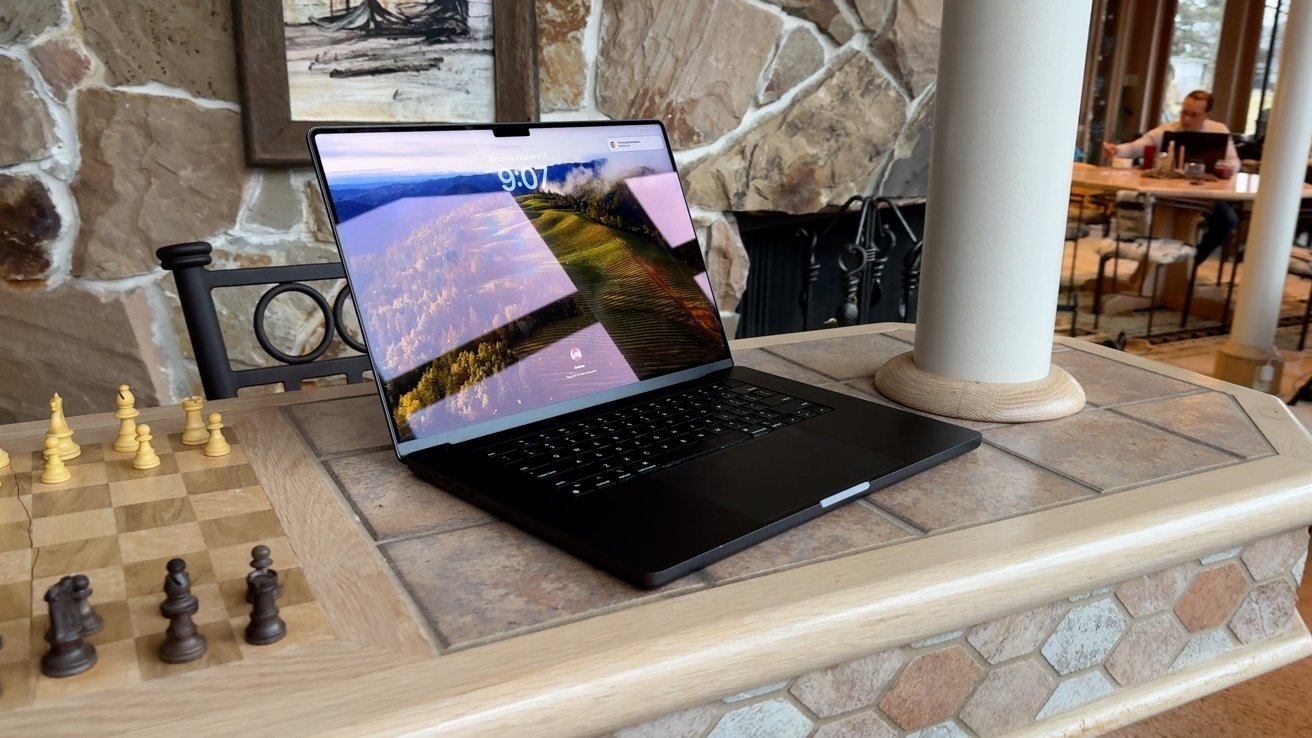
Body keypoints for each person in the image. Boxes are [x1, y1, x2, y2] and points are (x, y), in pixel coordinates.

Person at [1102, 90, 1241, 265]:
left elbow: (1234, 161)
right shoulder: (1168, 130)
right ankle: (1160, 263)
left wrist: (1227, 167)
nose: (1186, 119)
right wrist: (1117, 150)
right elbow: (1138, 146)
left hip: (1205, 195)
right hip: (1168, 195)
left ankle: (1191, 263)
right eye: (1184, 112)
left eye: (1193, 115)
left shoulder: (1219, 130)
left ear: (1207, 115)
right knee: (1153, 216)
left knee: (1228, 220)